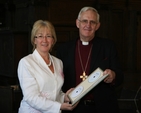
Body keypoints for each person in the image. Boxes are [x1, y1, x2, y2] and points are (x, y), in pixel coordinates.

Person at [56, 6, 124, 113]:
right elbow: (57, 80)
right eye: (84, 21)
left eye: (92, 22)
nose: (88, 25)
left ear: (97, 26)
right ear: (77, 23)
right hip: (73, 108)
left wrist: (113, 76)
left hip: (102, 107)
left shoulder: (108, 46)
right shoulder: (64, 50)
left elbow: (120, 75)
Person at [17, 20, 77, 113]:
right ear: (34, 40)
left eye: (48, 36)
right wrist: (59, 106)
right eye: (40, 36)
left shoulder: (58, 62)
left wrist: (65, 97)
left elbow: (55, 92)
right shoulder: (26, 62)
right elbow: (31, 97)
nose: (44, 40)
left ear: (53, 40)